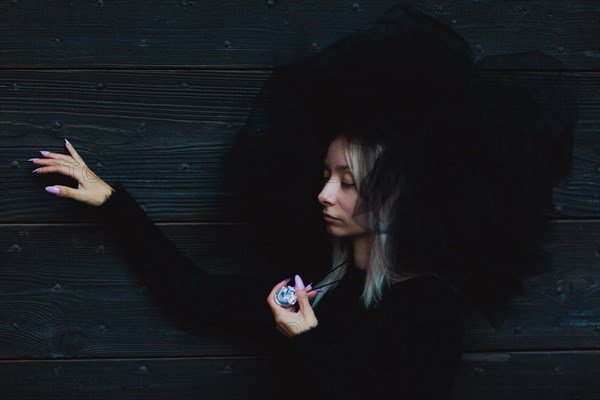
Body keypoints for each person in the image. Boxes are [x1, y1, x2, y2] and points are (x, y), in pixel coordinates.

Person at [28, 4, 576, 399]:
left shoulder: (430, 308)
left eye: (348, 181)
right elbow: (196, 297)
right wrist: (112, 202)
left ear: (397, 196)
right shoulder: (315, 286)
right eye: (324, 173)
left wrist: (306, 340)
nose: (323, 193)